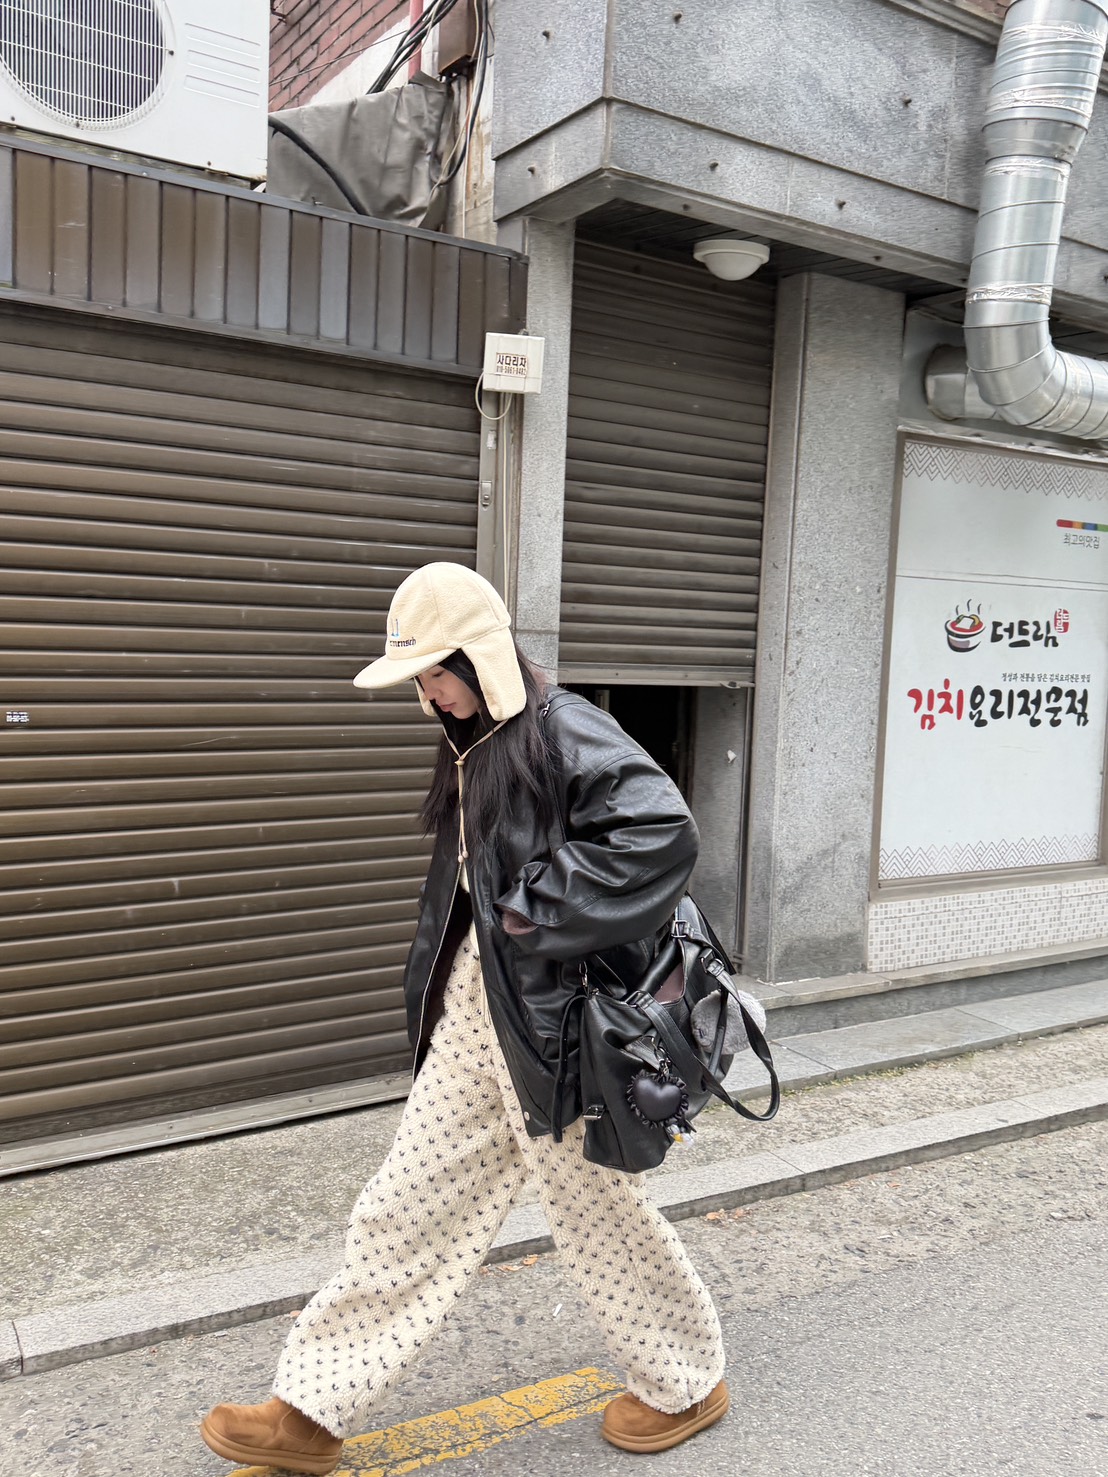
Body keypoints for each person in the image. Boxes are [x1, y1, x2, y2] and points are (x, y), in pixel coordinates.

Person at [200, 562, 728, 1473]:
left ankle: (687, 1381)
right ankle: (310, 1408)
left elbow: (661, 830)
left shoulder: (561, 729)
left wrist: (531, 911)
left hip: (557, 1033)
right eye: (419, 679)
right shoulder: (474, 741)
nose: (427, 694)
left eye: (435, 673)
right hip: (477, 1020)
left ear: (480, 656)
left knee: (601, 1219)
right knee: (404, 1206)